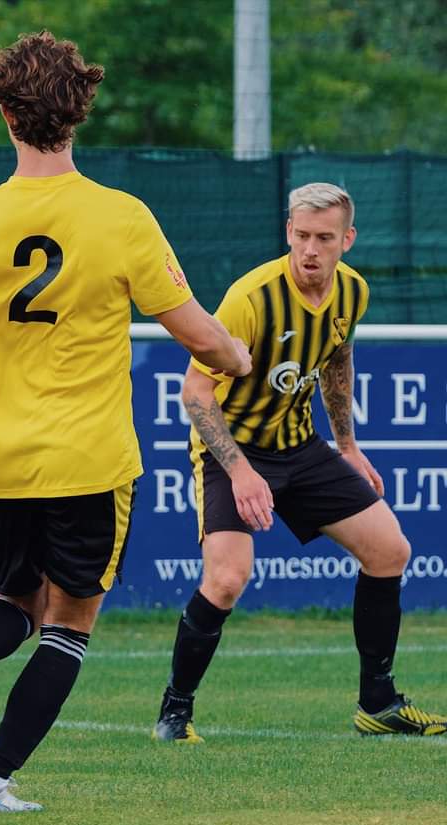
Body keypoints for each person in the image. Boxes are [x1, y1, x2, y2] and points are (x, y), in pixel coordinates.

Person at [0, 32, 252, 813]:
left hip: (3, 462)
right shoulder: (120, 216)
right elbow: (195, 331)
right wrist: (238, 356)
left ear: (7, 116)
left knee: (16, 603)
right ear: (78, 111)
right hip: (90, 461)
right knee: (68, 626)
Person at [152, 182, 446, 743]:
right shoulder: (252, 297)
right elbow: (196, 393)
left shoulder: (353, 293)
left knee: (390, 551)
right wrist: (240, 472)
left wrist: (349, 445)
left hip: (300, 447)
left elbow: (338, 361)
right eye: (302, 235)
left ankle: (378, 705)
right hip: (232, 450)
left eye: (325, 238)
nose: (311, 249)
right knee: (228, 577)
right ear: (288, 232)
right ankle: (174, 712)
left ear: (348, 240)